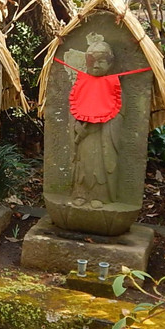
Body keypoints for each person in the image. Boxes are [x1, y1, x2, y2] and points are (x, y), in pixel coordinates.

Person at [69, 35, 120, 207]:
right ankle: (80, 193)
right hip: (83, 138)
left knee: (99, 166)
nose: (96, 66)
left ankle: (99, 195)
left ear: (110, 64)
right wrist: (77, 126)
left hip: (100, 137)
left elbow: (119, 114)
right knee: (82, 165)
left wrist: (102, 124)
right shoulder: (81, 83)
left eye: (101, 62)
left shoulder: (115, 86)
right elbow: (73, 106)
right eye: (92, 62)